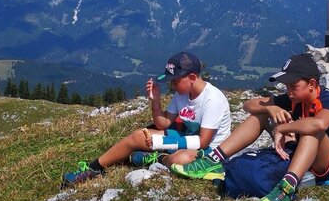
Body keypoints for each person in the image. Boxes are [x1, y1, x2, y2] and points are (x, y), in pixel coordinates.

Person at [171, 53, 329, 201]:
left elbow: (320, 124)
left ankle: (285, 190)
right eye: (286, 86)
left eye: (294, 86)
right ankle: (213, 160)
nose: (288, 92)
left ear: (312, 84)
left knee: (312, 131)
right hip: (306, 151)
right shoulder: (294, 98)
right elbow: (248, 105)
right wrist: (270, 108)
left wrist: (283, 129)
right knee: (260, 114)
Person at [61, 51, 232, 187]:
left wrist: (161, 143)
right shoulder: (182, 95)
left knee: (181, 160)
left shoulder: (213, 99)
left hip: (211, 151)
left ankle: (157, 158)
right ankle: (94, 169)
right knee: (138, 136)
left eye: (175, 81)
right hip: (187, 138)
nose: (171, 85)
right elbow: (163, 123)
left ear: (192, 78)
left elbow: (203, 141)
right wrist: (155, 100)